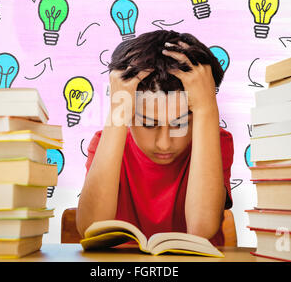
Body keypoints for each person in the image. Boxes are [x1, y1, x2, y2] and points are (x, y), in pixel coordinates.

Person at [76, 30, 234, 246]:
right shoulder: (106, 142)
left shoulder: (216, 140)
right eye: (149, 124)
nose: (164, 143)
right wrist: (117, 111)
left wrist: (207, 109)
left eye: (180, 123)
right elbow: (90, 228)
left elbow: (201, 230)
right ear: (129, 115)